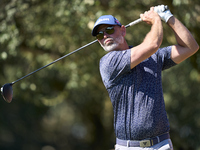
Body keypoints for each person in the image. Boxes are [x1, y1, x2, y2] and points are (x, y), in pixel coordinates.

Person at [92, 5, 199, 150]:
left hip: (161, 145)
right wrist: (156, 20)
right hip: (129, 147)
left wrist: (168, 16)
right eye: (99, 35)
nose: (105, 36)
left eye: (109, 30)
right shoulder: (108, 62)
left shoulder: (153, 57)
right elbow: (153, 43)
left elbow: (190, 47)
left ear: (123, 30)